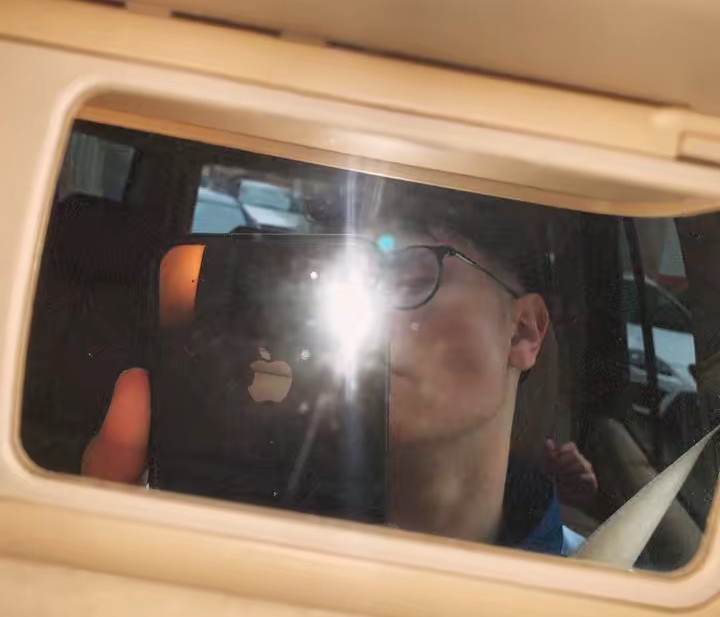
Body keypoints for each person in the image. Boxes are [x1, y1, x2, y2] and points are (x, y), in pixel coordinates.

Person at [82, 179, 597, 556]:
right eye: (347, 285)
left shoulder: (598, 584)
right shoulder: (223, 533)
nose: (372, 320)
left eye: (410, 278)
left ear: (523, 332)